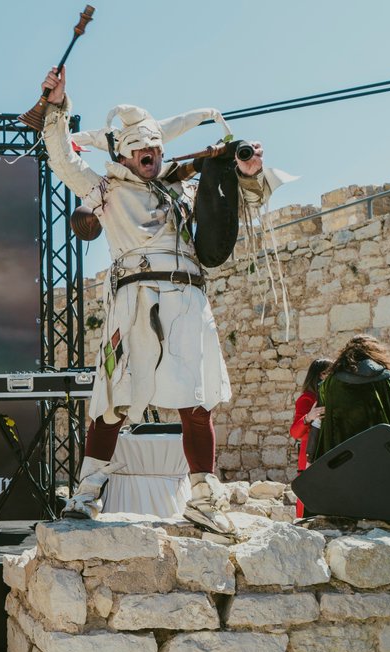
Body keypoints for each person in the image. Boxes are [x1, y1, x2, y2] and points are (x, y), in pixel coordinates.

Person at [39, 66, 282, 534]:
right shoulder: (104, 189)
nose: (148, 152)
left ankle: (204, 498)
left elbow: (238, 205)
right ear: (124, 154)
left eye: (153, 146)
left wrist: (248, 173)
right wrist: (56, 109)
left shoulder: (186, 188)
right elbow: (63, 159)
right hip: (133, 298)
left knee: (197, 401)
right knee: (112, 399)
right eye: (138, 148)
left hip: (188, 300)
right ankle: (87, 494)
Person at [310, 334, 390, 462]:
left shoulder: (328, 385)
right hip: (386, 461)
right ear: (377, 354)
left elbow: (318, 423)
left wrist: (310, 459)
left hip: (343, 464)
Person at [289, 358, 331, 517]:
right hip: (310, 456)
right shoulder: (307, 398)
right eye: (331, 373)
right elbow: (295, 432)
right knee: (308, 497)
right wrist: (308, 417)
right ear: (321, 375)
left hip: (326, 451)